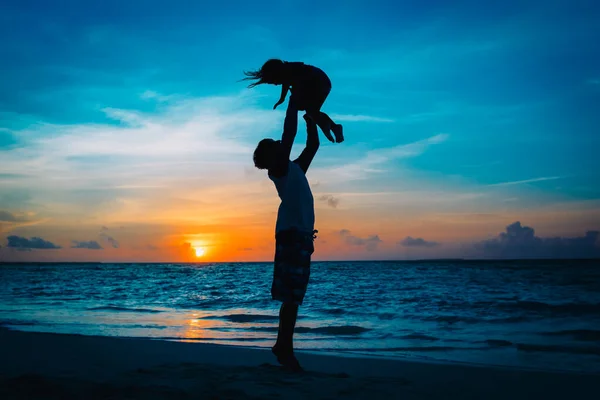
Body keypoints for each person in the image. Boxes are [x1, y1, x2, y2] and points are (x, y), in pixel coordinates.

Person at [252, 103, 319, 372]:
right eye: (276, 143)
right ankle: (284, 348)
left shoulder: (294, 169)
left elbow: (312, 146)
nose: (281, 142)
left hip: (300, 237)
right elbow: (288, 133)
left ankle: (283, 345)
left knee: (294, 297)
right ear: (272, 155)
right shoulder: (278, 170)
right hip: (292, 237)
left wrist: (310, 118)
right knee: (291, 297)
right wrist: (293, 101)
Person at [243, 58, 344, 144]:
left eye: (273, 81)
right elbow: (286, 83)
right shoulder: (288, 73)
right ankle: (334, 127)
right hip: (321, 83)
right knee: (311, 112)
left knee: (308, 110)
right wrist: (282, 99)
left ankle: (327, 126)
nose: (275, 84)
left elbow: (289, 82)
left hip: (319, 82)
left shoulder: (290, 70)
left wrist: (294, 94)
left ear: (276, 73)